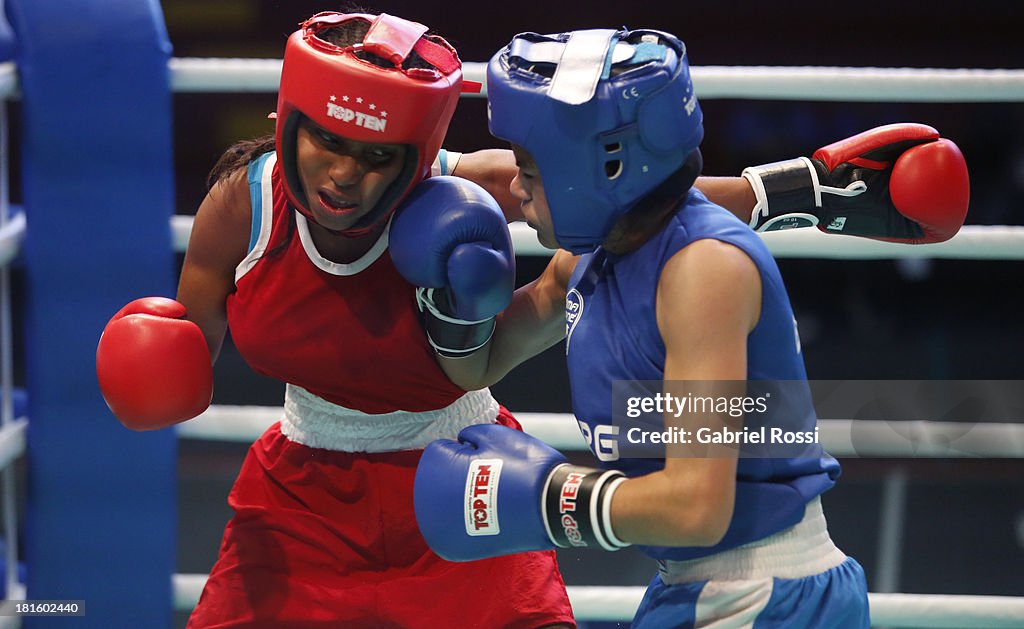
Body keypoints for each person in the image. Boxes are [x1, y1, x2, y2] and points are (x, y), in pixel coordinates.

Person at [93, 11, 965, 629]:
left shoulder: (475, 199)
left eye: (376, 154)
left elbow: (631, 195)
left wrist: (803, 190)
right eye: (326, 140)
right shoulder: (242, 209)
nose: (345, 174)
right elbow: (596, 222)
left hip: (458, 465)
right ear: (289, 124)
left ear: (414, 156)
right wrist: (159, 362)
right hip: (302, 497)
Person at [409, 26, 968, 628]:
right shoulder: (587, 256)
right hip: (693, 585)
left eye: (531, 171)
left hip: (768, 595)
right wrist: (455, 303)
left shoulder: (704, 273)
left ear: (601, 168)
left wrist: (551, 498)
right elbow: (480, 364)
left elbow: (697, 507)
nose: (515, 189)